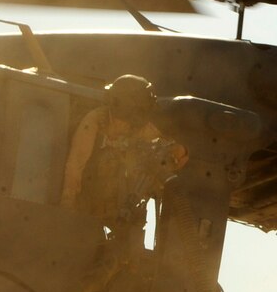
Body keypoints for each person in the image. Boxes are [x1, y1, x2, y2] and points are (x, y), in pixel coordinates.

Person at [61, 74, 186, 236]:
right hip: (87, 205)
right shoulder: (95, 121)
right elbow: (75, 167)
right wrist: (66, 210)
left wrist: (178, 153)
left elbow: (169, 145)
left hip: (123, 211)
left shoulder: (138, 126)